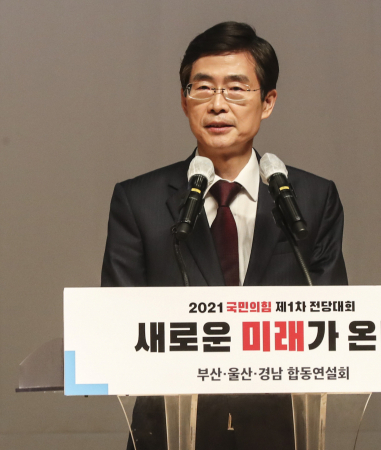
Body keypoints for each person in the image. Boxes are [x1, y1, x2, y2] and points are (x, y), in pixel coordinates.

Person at [101, 21, 347, 450]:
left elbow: (333, 322)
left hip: (280, 433)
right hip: (170, 433)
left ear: (267, 102)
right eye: (203, 88)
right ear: (184, 101)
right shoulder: (138, 201)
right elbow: (117, 325)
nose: (218, 105)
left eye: (236, 89)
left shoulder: (310, 199)